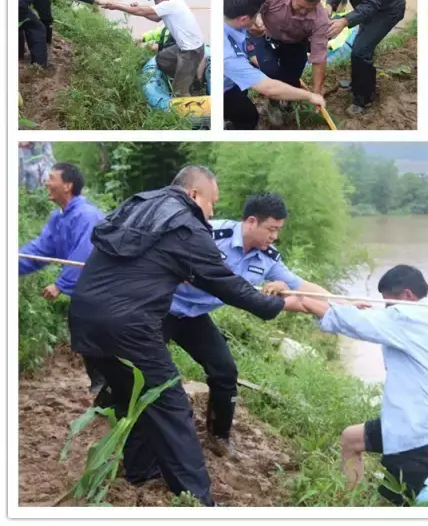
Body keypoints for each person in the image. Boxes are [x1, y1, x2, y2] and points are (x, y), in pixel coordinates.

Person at [67, 166, 310, 507]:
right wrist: (269, 305)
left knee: (135, 397)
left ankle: (141, 471)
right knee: (171, 404)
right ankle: (197, 500)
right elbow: (223, 281)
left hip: (84, 315)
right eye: (212, 203)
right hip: (129, 326)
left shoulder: (137, 204)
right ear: (194, 195)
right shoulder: (185, 224)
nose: (211, 213)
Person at [284, 265, 428, 505]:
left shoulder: (406, 317)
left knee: (394, 504)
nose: (387, 309)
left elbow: (349, 323)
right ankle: (352, 501)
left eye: (388, 302)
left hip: (417, 436)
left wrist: (302, 299)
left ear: (407, 295)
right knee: (351, 439)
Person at [166, 192, 331, 456]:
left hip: (195, 317)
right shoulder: (209, 232)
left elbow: (300, 286)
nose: (274, 236)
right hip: (163, 306)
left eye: (278, 230)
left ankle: (219, 438)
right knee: (144, 367)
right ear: (251, 222)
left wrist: (341, 304)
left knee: (225, 371)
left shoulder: (267, 258)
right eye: (271, 229)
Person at [19, 162, 106, 392]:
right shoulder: (59, 219)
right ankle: (101, 387)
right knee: (83, 331)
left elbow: (86, 253)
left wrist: (61, 284)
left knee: (97, 333)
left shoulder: (87, 215)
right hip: (87, 293)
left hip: (106, 290)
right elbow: (39, 250)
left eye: (51, 178)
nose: (46, 182)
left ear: (67, 185)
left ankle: (107, 386)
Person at [321, 0, 406, 115]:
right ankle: (359, 81)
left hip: (386, 10)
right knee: (361, 46)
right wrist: (329, 5)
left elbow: (372, 4)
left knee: (360, 51)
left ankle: (364, 98)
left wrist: (344, 21)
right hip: (367, 8)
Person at [223, 0, 325, 130]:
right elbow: (268, 88)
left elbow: (319, 57)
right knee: (249, 116)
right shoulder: (228, 55)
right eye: (257, 13)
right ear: (243, 19)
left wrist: (317, 91)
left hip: (294, 44)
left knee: (290, 75)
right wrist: (309, 96)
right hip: (224, 85)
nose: (303, 12)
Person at [103, 0, 205, 96]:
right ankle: (186, 77)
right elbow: (155, 18)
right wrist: (139, 7)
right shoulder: (175, 2)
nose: (155, 2)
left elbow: (141, 11)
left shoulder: (170, 5)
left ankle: (189, 90)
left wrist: (117, 6)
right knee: (162, 58)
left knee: (178, 92)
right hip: (186, 46)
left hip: (191, 51)